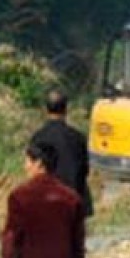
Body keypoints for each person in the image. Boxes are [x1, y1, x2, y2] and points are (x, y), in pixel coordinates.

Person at [30, 90, 93, 218]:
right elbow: (84, 170)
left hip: (46, 200)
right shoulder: (78, 138)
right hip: (72, 200)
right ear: (66, 109)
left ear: (45, 109)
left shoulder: (38, 137)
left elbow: (34, 172)